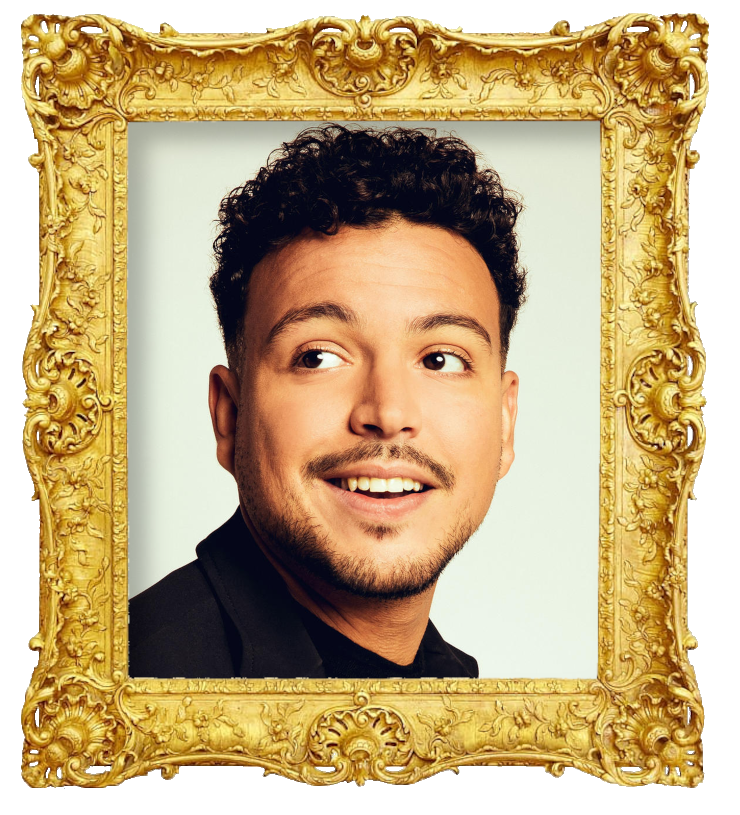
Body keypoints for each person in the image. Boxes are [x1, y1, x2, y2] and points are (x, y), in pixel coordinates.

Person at [129, 124, 526, 679]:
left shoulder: (465, 697)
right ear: (229, 417)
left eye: (440, 359)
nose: (387, 414)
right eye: (318, 357)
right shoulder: (125, 693)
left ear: (505, 426)